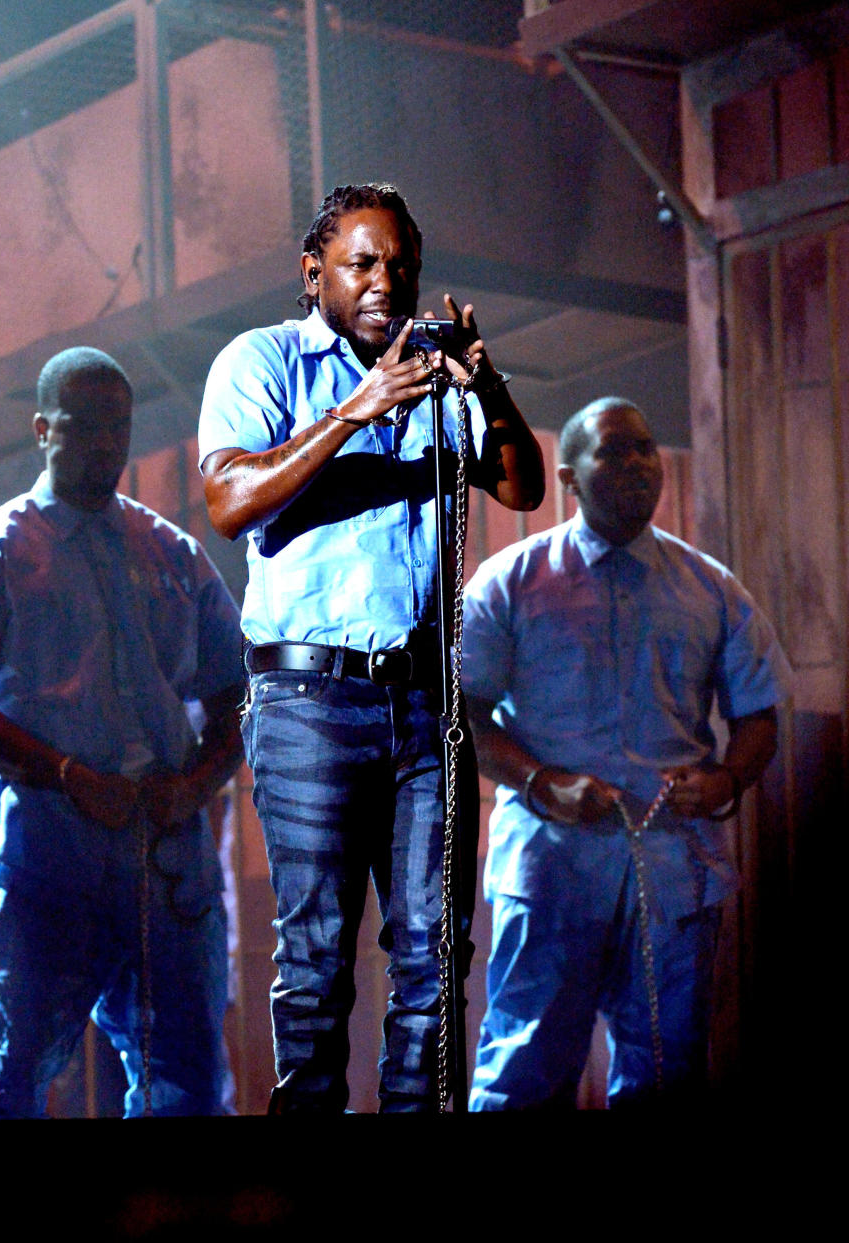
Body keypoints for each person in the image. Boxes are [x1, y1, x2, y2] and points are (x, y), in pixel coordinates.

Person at [199, 182, 545, 1112]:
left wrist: (490, 382)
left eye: (400, 265)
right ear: (314, 274)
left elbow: (520, 486)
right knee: (315, 958)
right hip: (310, 702)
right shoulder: (262, 360)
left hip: (428, 707)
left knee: (436, 957)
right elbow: (229, 499)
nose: (384, 280)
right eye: (361, 263)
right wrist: (360, 407)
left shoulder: (434, 373)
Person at [0, 346, 245, 1119]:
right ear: (42, 429)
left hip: (167, 870)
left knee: (191, 1088)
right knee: (10, 1085)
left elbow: (242, 696)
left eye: (118, 426)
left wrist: (196, 783)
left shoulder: (175, 554)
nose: (106, 442)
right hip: (44, 870)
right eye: (84, 425)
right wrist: (67, 774)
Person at [462, 396, 790, 1109]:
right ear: (569, 477)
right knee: (524, 1073)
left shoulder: (712, 588)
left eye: (645, 448)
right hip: (550, 871)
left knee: (666, 1077)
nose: (638, 464)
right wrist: (543, 782)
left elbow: (761, 712)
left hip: (674, 874)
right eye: (613, 451)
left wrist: (729, 778)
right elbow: (461, 716)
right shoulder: (510, 583)